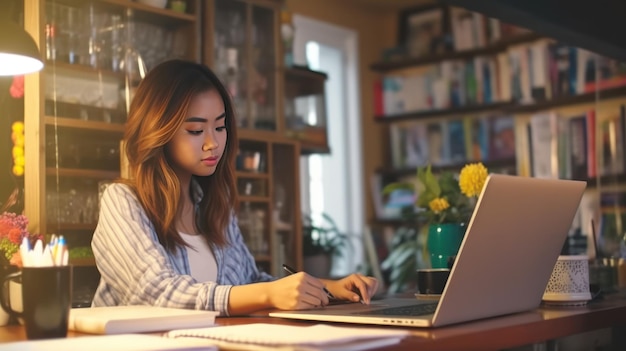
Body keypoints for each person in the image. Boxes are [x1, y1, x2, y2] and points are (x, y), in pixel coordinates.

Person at [91, 59, 378, 316]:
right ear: (158, 131)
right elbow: (157, 292)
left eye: (220, 126)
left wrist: (325, 288)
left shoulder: (214, 204)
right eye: (195, 130)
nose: (212, 142)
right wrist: (268, 294)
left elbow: (249, 282)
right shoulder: (123, 201)